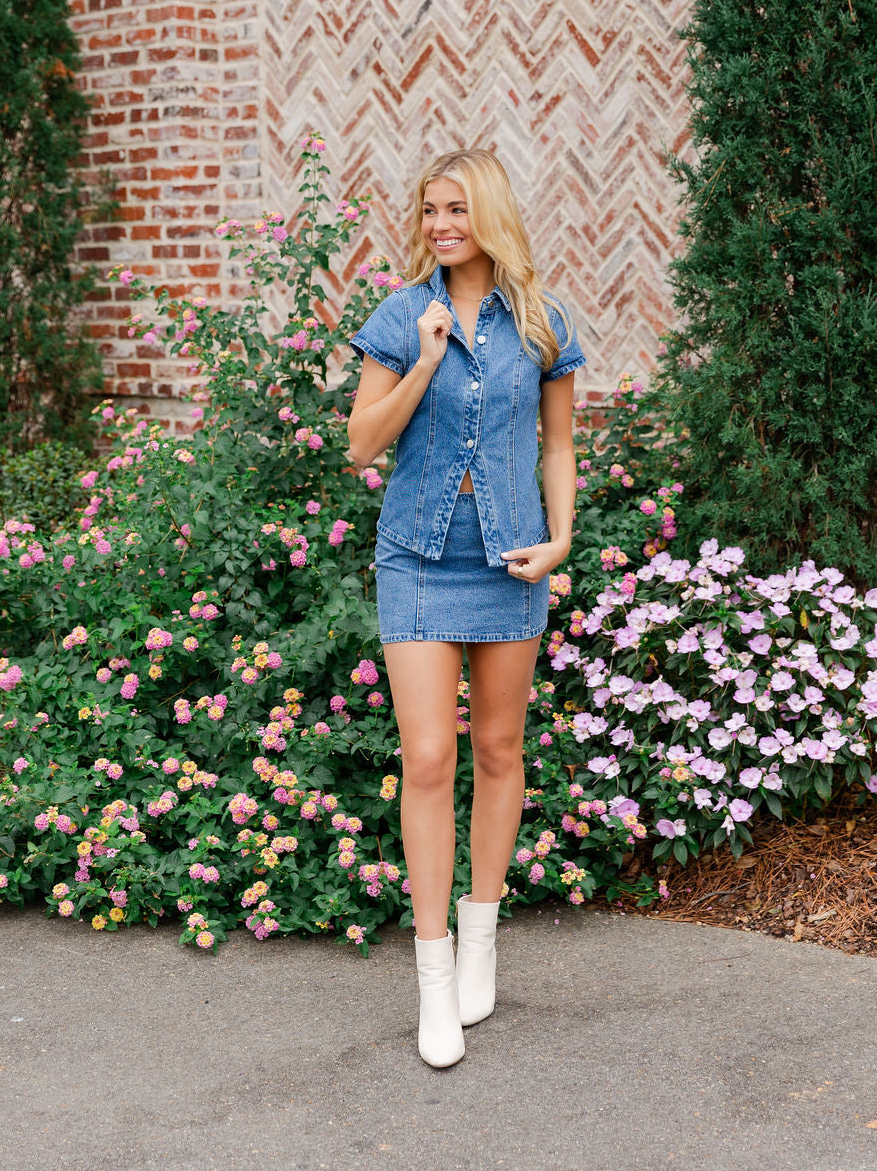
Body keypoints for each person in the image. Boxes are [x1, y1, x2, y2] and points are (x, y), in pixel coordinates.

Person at [346, 148, 585, 1067]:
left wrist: (561, 538)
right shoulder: (404, 315)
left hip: (512, 562)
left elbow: (557, 446)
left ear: (487, 213)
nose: (441, 224)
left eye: (456, 208)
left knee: (497, 749)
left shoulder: (543, 323)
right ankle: (435, 977)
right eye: (429, 210)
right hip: (415, 559)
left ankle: (482, 934)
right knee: (429, 754)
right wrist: (425, 361)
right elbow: (361, 447)